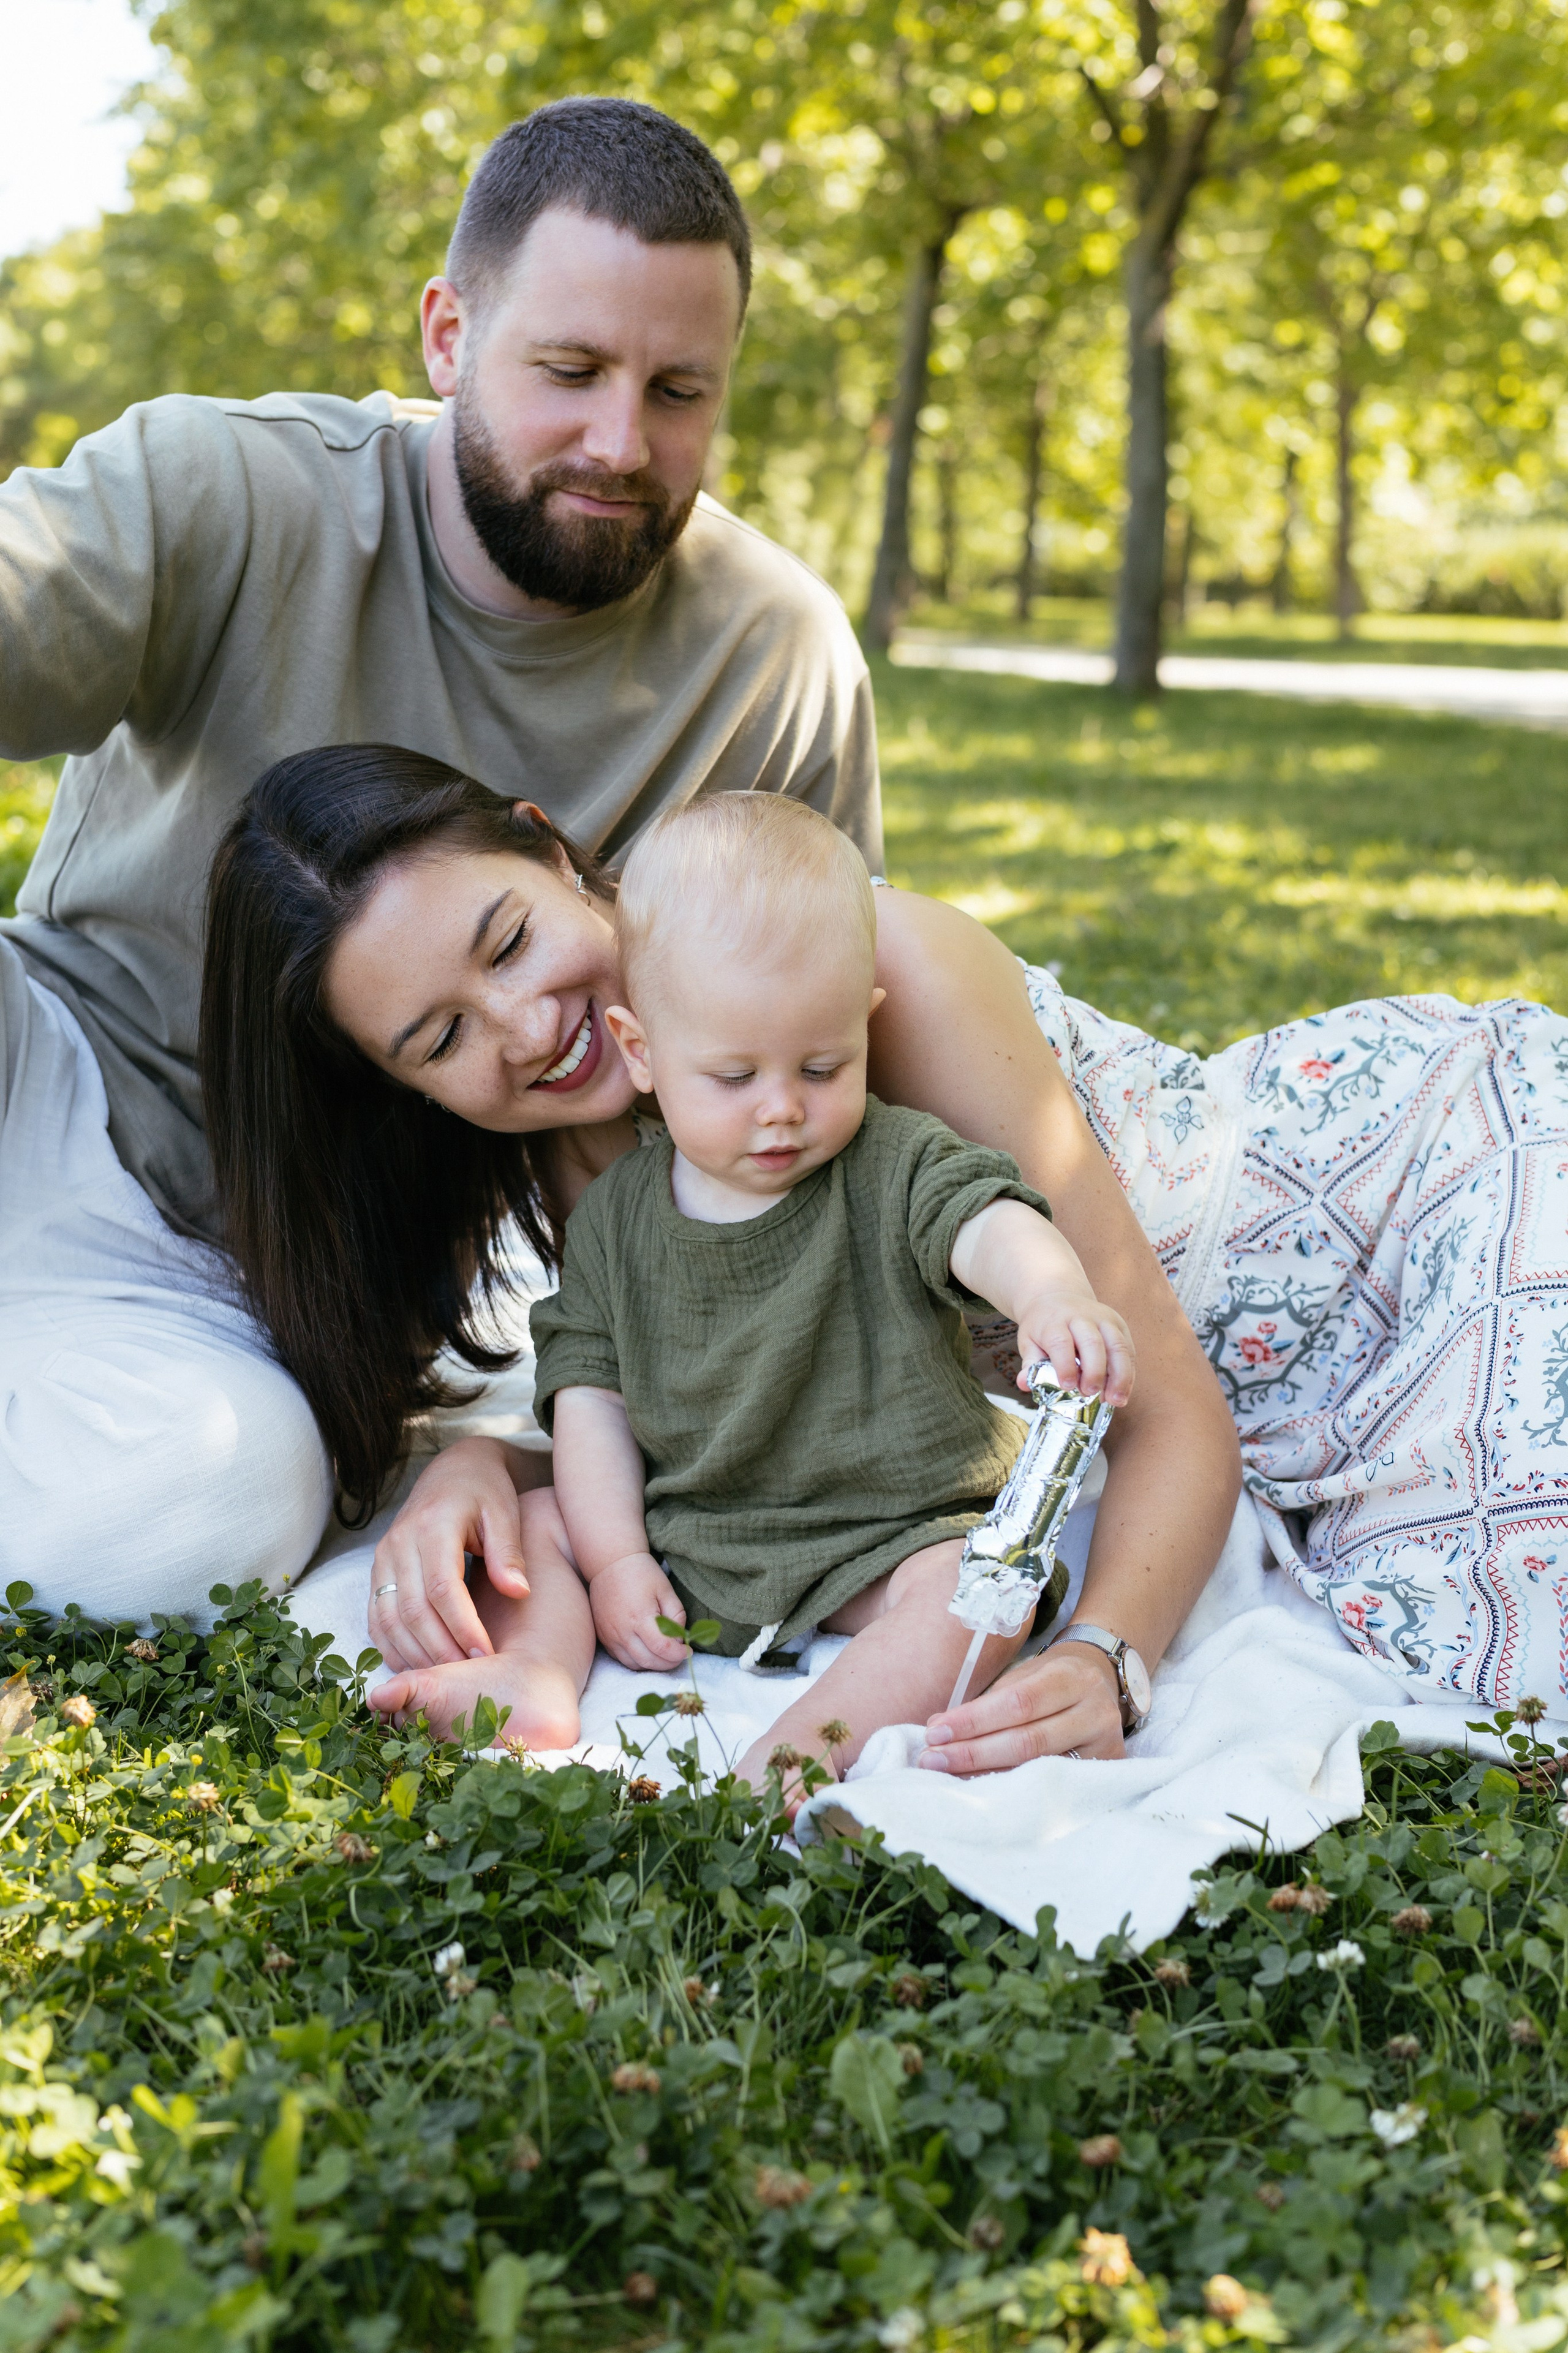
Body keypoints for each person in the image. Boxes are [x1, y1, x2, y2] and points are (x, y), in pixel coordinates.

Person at [205, 739, 1568, 1767]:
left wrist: (1108, 1655)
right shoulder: (591, 1123)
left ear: (551, 849)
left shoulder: (879, 981)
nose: (520, 1026)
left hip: (1401, 1199)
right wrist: (476, 1462)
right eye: (439, 1038)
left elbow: (1164, 1397)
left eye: (508, 940)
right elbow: (684, 1390)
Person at [0, 97, 880, 1620]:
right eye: (568, 370)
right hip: (50, 1071)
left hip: (269, 1277)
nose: (622, 441)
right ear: (447, 335)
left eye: (680, 389)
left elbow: (784, 1111)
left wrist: (513, 1446)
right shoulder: (229, 488)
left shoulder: (773, 658)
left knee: (222, 1508)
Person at [526, 796, 1135, 1805]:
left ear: (867, 1023)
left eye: (823, 1065)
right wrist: (617, 1557)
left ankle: (814, 1735)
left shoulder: (887, 1161)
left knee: (976, 1592)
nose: (782, 1107)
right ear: (642, 1051)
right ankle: (529, 1679)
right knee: (546, 1517)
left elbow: (981, 1216)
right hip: (701, 1537)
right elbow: (591, 1399)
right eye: (732, 1074)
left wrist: (1053, 1290)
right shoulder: (616, 1221)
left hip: (890, 1527)